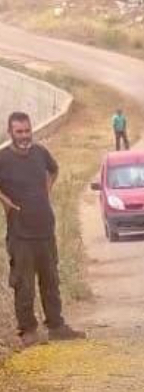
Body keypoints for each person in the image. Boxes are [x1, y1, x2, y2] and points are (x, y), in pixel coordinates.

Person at [0, 112, 85, 347]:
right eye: (19, 132)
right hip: (20, 234)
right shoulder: (3, 158)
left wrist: (47, 189)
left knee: (51, 281)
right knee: (24, 285)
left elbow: (54, 169)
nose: (24, 136)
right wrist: (5, 200)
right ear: (10, 133)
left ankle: (56, 326)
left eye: (27, 130)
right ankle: (28, 331)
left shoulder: (40, 153)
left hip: (45, 229)